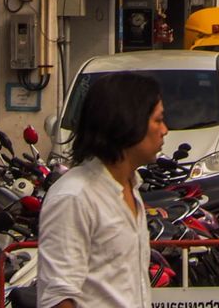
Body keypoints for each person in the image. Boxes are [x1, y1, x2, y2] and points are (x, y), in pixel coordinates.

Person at [37, 72, 168, 308]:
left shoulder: (131, 187)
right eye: (158, 120)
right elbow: (58, 297)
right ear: (130, 122)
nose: (165, 130)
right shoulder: (75, 196)